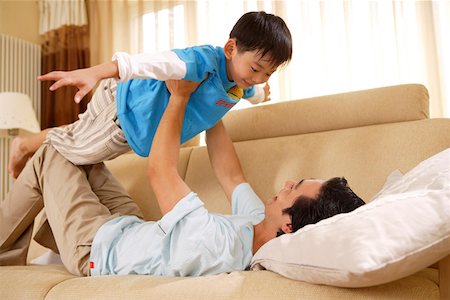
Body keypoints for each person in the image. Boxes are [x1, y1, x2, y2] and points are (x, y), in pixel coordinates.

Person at [0, 79, 365, 276]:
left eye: (294, 189)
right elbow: (230, 173)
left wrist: (179, 98)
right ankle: (41, 232)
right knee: (84, 156)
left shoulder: (217, 246)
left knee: (52, 153)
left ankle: (7, 251)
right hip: (130, 226)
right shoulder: (258, 223)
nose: (286, 183)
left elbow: (160, 170)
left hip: (98, 249)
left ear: (288, 225)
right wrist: (220, 95)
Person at [8, 11, 292, 179]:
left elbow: (250, 91)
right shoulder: (200, 62)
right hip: (123, 113)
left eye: (267, 73)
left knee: (76, 134)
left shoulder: (242, 81)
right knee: (76, 151)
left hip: (129, 118)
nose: (257, 77)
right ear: (231, 49)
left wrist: (260, 95)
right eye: (256, 69)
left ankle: (24, 144)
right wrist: (97, 71)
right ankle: (22, 146)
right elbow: (152, 62)